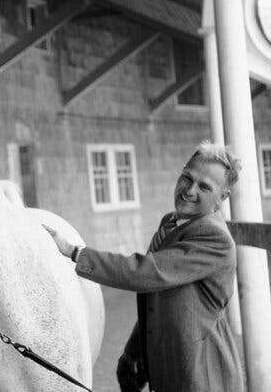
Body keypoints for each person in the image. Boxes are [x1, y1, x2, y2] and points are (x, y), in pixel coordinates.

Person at [45, 141, 244, 392]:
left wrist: (75, 253)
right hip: (169, 367)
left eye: (204, 187)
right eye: (187, 177)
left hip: (201, 374)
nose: (189, 190)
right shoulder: (171, 223)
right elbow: (154, 299)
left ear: (222, 197)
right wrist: (133, 353)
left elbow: (147, 272)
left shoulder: (214, 237)